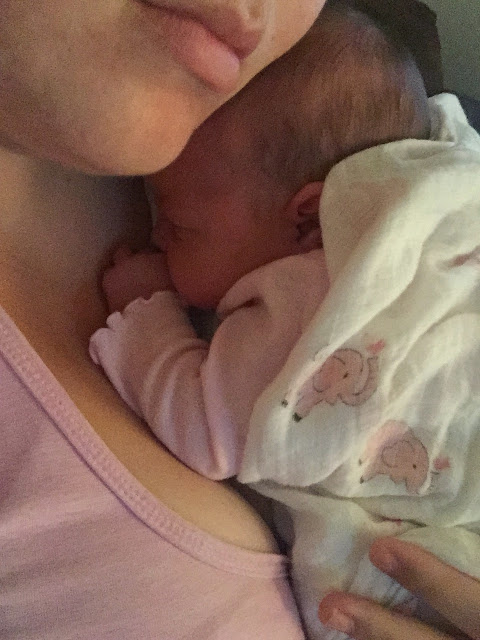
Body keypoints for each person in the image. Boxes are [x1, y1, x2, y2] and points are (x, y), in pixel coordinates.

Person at [1, 0, 478, 639]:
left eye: (177, 226)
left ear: (306, 221)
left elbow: (209, 427)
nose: (157, 242)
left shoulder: (315, 308)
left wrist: (145, 316)